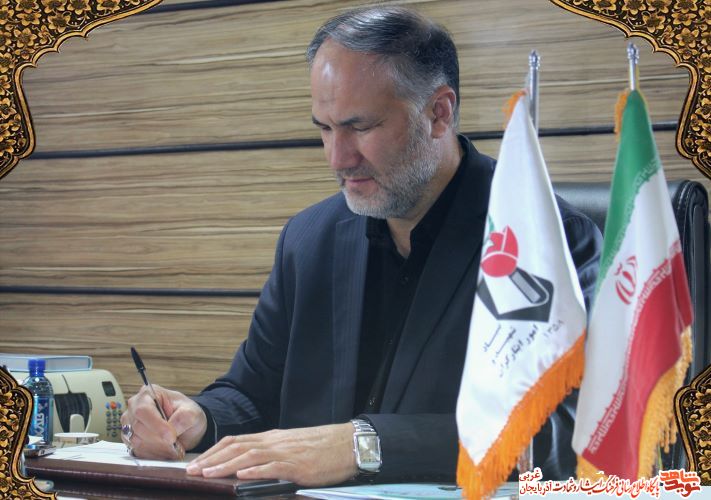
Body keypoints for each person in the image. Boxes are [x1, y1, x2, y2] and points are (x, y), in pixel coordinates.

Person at [120, 5, 602, 487]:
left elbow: (563, 432)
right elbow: (253, 393)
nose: (338, 158)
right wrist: (198, 417)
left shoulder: (549, 242)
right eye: (324, 128)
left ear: (438, 113)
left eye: (361, 127)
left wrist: (362, 445)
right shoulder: (308, 239)